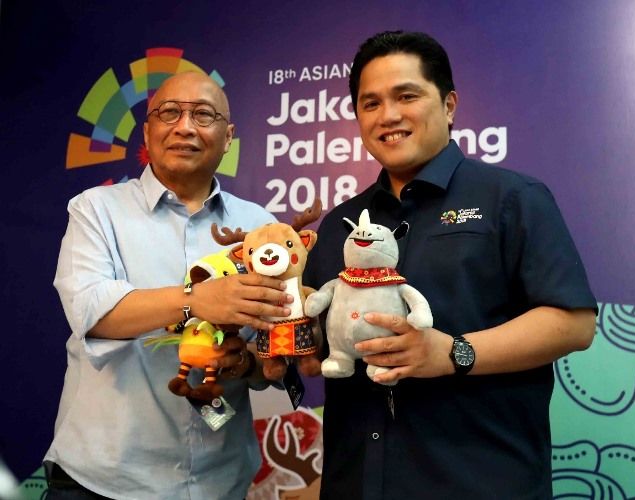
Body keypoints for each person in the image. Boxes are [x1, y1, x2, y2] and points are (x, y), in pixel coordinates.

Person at [303, 31, 597, 499]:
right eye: (371, 103)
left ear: (449, 105)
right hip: (356, 482)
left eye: (407, 96)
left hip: (478, 481)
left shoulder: (512, 198)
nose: (389, 115)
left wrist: (453, 353)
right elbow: (318, 336)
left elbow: (573, 323)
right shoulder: (340, 224)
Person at [45, 72, 294, 499]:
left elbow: (278, 344)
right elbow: (90, 311)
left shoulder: (260, 226)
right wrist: (197, 301)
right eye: (170, 113)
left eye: (203, 115)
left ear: (228, 137)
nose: (185, 127)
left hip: (220, 482)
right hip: (104, 482)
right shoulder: (96, 209)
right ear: (147, 132)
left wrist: (245, 362)